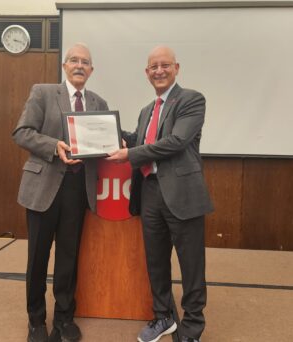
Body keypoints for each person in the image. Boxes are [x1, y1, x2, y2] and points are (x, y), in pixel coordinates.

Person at [107, 46, 213, 342]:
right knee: (156, 261)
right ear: (146, 72)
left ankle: (192, 328)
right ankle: (163, 317)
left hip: (183, 194)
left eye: (165, 65)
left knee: (191, 265)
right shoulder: (146, 111)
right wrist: (107, 131)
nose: (159, 71)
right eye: (153, 66)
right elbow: (141, 140)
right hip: (150, 192)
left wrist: (129, 152)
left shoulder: (191, 100)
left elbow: (176, 141)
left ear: (176, 68)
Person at [12, 43, 108, 342]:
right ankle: (36, 321)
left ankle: (65, 319)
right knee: (38, 257)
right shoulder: (42, 92)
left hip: (78, 190)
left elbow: (104, 142)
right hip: (43, 186)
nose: (80, 65)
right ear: (64, 65)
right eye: (74, 60)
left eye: (86, 62)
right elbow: (23, 132)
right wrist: (54, 146)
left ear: (91, 70)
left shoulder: (99, 103)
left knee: (69, 258)